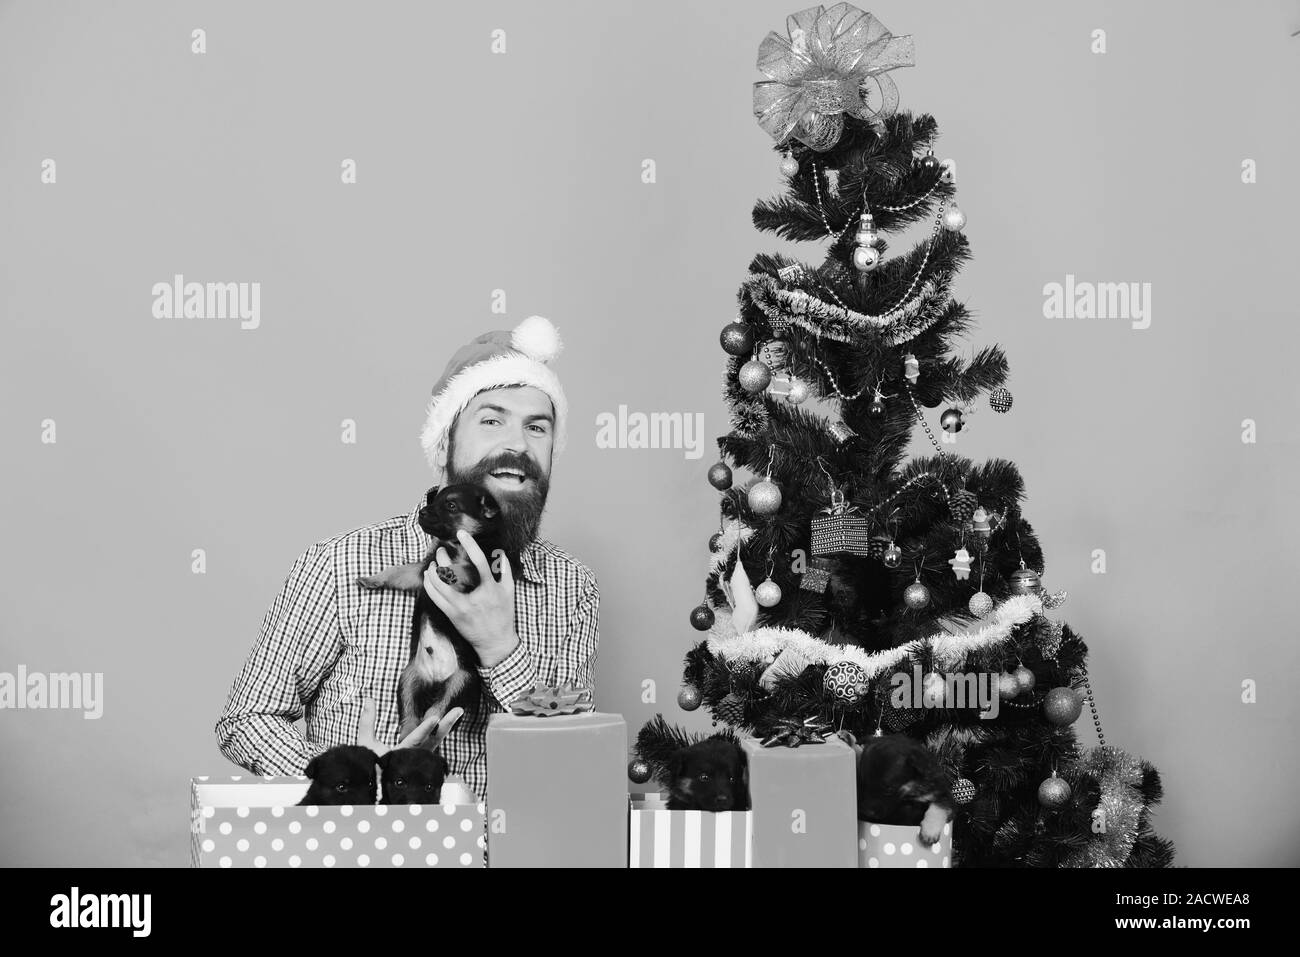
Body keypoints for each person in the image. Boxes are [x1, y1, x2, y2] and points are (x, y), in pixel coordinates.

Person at [215, 316, 599, 799]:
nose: (517, 444)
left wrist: (500, 646)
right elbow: (246, 718)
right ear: (445, 445)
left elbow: (572, 766)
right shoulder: (340, 563)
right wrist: (361, 777)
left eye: (537, 427)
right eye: (492, 419)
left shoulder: (571, 586)